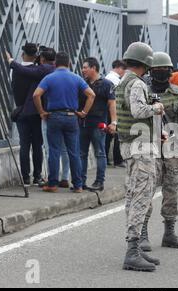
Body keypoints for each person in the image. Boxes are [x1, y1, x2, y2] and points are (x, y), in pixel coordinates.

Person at [139, 52, 178, 254]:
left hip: (174, 150)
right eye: (156, 70)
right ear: (150, 71)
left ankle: (169, 232)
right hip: (148, 150)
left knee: (172, 190)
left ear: (171, 72)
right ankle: (142, 233)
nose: (161, 73)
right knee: (145, 191)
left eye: (164, 70)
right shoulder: (142, 92)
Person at [115, 42, 162, 272]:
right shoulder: (136, 84)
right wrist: (157, 108)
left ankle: (136, 249)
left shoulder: (123, 80)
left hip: (129, 146)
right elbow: (138, 111)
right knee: (141, 197)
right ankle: (132, 251)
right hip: (140, 148)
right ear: (146, 63)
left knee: (133, 195)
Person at [33, 52, 96, 193]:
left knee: (54, 150)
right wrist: (84, 112)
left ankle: (53, 184)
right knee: (73, 151)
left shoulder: (49, 78)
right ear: (69, 63)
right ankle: (78, 185)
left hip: (54, 117)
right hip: (72, 117)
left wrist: (41, 112)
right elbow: (91, 95)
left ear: (55, 64)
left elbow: (36, 94)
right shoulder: (76, 78)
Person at [6, 43, 44, 187]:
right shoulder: (39, 71)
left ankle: (25, 178)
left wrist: (11, 61)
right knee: (37, 145)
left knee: (24, 145)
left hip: (21, 111)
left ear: (22, 54)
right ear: (36, 56)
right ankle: (37, 176)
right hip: (35, 112)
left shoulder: (14, 71)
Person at [79, 57, 117, 191]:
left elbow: (112, 104)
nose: (83, 70)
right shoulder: (83, 83)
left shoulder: (107, 84)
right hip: (83, 124)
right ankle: (81, 182)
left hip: (99, 124)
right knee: (82, 154)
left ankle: (99, 181)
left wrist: (113, 122)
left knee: (100, 153)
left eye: (85, 67)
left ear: (93, 68)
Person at [105, 60, 127, 168]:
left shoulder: (108, 77)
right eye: (123, 70)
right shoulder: (115, 80)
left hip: (108, 110)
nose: (124, 72)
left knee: (108, 136)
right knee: (118, 136)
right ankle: (118, 159)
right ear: (119, 68)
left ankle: (107, 159)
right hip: (115, 110)